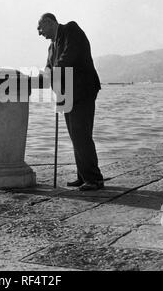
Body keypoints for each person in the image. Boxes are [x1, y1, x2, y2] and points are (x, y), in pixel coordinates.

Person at [38, 12, 104, 191]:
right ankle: (83, 176)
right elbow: (49, 65)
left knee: (82, 135)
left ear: (50, 22)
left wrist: (52, 72)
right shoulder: (51, 47)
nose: (39, 32)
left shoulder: (71, 30)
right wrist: (46, 72)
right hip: (67, 94)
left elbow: (69, 57)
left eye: (40, 27)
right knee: (76, 136)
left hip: (82, 91)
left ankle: (94, 179)